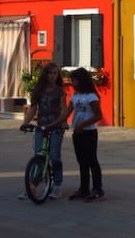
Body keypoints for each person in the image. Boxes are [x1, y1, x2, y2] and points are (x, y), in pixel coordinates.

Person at [47, 66, 105, 202]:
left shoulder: (91, 96)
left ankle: (98, 189)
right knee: (81, 161)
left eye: (74, 80)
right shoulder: (75, 96)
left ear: (81, 80)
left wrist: (83, 125)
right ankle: (84, 188)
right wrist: (54, 124)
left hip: (89, 133)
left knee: (92, 161)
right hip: (77, 133)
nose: (72, 83)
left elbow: (98, 115)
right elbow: (67, 112)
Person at [19, 61, 67, 200]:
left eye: (55, 73)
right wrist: (25, 123)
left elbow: (64, 110)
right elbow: (33, 109)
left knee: (54, 156)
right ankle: (32, 186)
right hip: (41, 127)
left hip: (56, 127)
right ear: (45, 75)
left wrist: (63, 123)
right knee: (39, 156)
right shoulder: (38, 91)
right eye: (49, 73)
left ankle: (57, 185)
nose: (52, 76)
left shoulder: (60, 91)